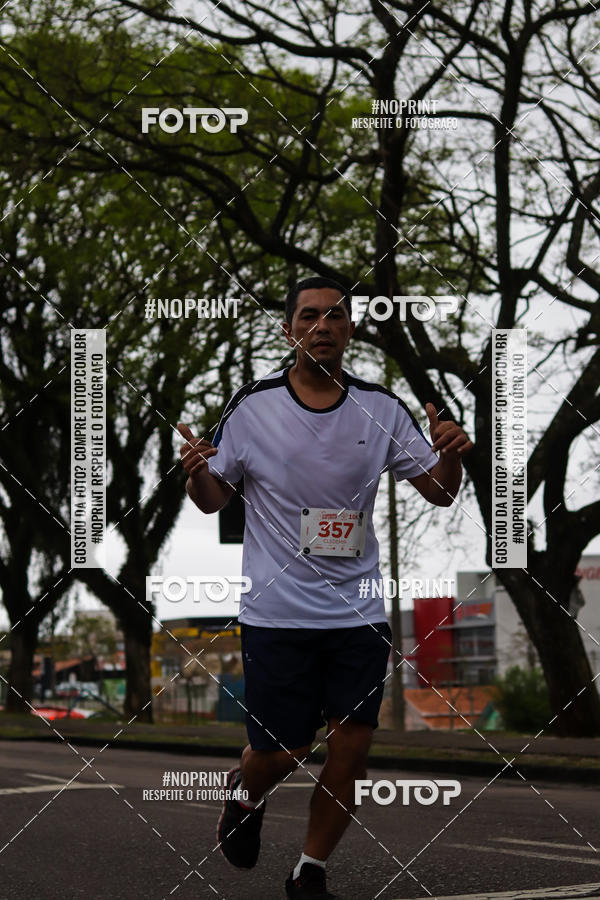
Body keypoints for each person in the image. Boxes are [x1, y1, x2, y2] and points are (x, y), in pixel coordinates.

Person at [178, 275, 473, 899]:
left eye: (336, 316)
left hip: (358, 612)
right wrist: (197, 473)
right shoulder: (253, 407)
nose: (323, 325)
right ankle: (246, 793)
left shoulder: (382, 408)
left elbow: (442, 491)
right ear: (290, 329)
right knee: (281, 752)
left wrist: (453, 453)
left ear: (350, 330)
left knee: (353, 751)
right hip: (277, 613)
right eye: (310, 315)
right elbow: (212, 500)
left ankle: (308, 871)